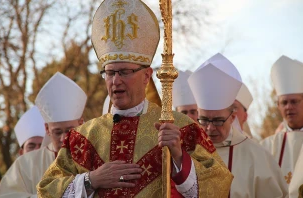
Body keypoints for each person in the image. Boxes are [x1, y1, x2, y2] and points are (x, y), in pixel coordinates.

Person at [37, 0, 233, 197]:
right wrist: (92, 179)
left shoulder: (180, 128)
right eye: (109, 73)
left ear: (146, 76)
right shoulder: (83, 136)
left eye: (124, 72)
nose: (115, 81)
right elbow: (46, 190)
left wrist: (179, 155)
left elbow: (219, 185)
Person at [188, 53, 288, 197]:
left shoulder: (258, 157)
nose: (210, 128)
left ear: (232, 117)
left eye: (217, 120)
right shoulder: (187, 152)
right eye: (204, 120)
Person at [0, 72, 87, 197]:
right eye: (57, 132)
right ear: (47, 129)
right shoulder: (25, 164)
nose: (63, 138)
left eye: (69, 131)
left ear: (81, 124)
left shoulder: (94, 156)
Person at [260, 55, 303, 188]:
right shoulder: (266, 147)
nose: (289, 107)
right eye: (284, 102)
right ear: (278, 106)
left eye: (294, 101)